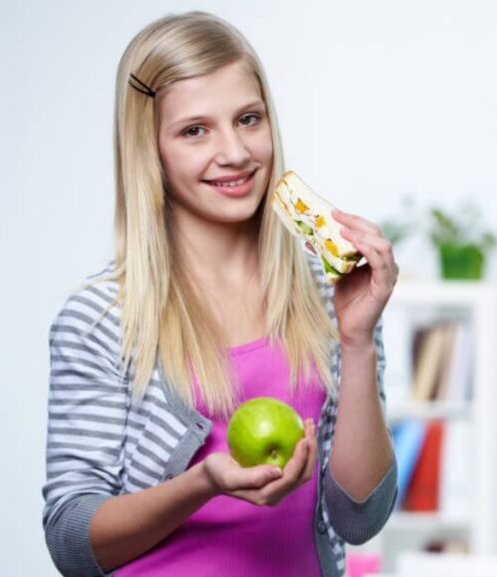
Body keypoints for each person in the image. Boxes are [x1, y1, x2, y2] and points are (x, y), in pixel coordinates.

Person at [41, 12, 398, 577]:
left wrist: (357, 341)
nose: (234, 152)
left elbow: (360, 519)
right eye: (194, 130)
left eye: (248, 119)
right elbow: (72, 543)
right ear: (149, 150)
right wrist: (202, 484)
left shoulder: (333, 294)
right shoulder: (102, 319)